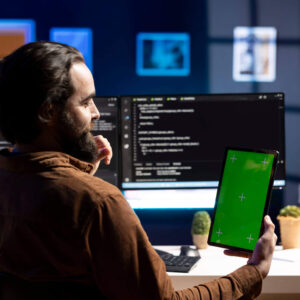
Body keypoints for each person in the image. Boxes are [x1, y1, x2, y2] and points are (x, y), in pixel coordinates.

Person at [0, 41, 277, 299]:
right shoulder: (99, 204)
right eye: (85, 103)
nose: (96, 113)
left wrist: (79, 176)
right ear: (48, 112)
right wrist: (253, 272)